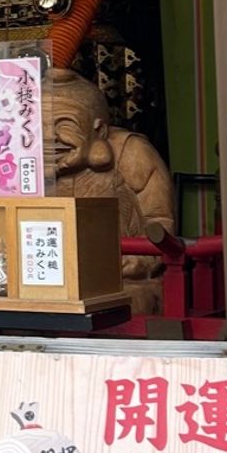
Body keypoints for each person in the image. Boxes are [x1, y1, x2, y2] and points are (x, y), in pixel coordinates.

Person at [48, 68, 176, 314]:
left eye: (64, 124)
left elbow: (160, 221)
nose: (49, 137)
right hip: (48, 277)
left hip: (123, 279)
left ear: (99, 130)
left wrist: (143, 259)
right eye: (37, 125)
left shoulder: (131, 153)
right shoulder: (20, 165)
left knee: (132, 301)